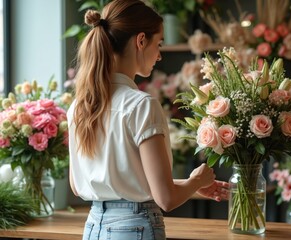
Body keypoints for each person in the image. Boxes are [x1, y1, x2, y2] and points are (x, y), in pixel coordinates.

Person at [67, 0, 229, 239]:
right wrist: (197, 180)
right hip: (135, 227)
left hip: (93, 227)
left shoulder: (78, 107)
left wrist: (186, 184)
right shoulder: (141, 105)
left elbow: (79, 186)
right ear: (141, 41)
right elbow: (166, 199)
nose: (160, 55)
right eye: (159, 43)